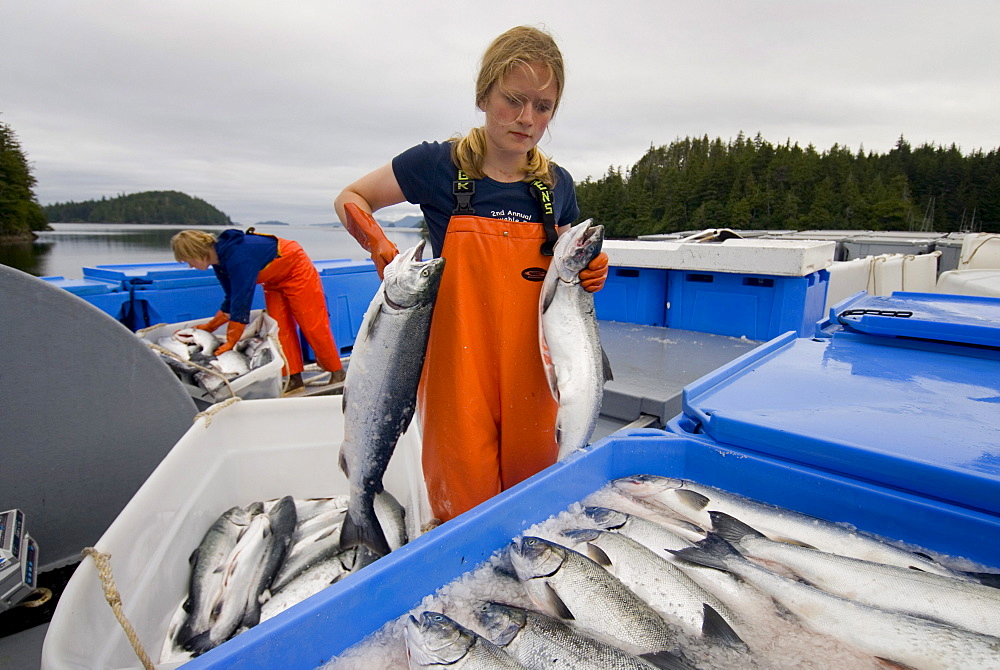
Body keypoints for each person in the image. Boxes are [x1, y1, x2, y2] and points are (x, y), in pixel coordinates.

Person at [334, 26, 609, 522]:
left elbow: (570, 254)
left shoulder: (555, 185)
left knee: (538, 506)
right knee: (462, 510)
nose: (527, 118)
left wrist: (589, 269)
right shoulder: (435, 166)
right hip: (456, 373)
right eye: (513, 100)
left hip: (536, 374)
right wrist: (378, 245)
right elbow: (351, 198)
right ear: (484, 95)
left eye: (543, 107)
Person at [170, 229, 347, 390]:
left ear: (196, 253)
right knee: (279, 330)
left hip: (296, 268)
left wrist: (231, 341)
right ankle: (293, 378)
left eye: (188, 260)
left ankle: (337, 372)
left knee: (312, 324)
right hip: (274, 281)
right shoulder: (220, 263)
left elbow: (241, 303)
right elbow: (231, 300)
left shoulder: (237, 257)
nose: (190, 266)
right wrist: (209, 327)